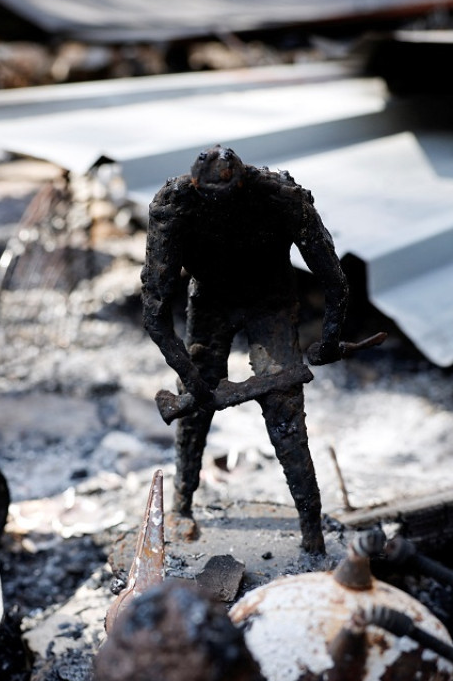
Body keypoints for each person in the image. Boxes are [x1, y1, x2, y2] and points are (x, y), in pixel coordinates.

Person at [142, 146, 349, 553]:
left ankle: (311, 531)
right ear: (197, 189)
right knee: (195, 409)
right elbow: (155, 315)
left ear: (244, 183)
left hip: (270, 300)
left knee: (285, 412)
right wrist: (191, 379)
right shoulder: (174, 207)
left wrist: (329, 340)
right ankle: (182, 506)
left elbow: (333, 279)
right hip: (211, 301)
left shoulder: (282, 198)